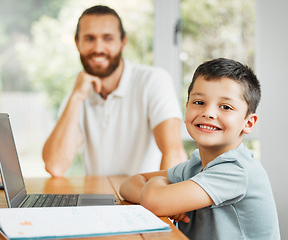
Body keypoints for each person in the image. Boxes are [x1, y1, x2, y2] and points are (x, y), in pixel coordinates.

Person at [120, 58, 280, 240]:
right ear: (186, 107)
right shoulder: (196, 165)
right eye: (199, 102)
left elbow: (153, 201)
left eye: (225, 107)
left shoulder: (237, 169)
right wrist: (162, 196)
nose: (208, 113)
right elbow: (129, 184)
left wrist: (160, 189)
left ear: (248, 122)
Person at [42, 5, 186, 177]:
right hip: (96, 200)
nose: (98, 48)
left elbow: (174, 153)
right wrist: (76, 97)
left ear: (123, 42)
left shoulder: (153, 81)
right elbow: (55, 166)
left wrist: (160, 199)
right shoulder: (76, 97)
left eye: (108, 38)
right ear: (77, 43)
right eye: (89, 39)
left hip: (142, 198)